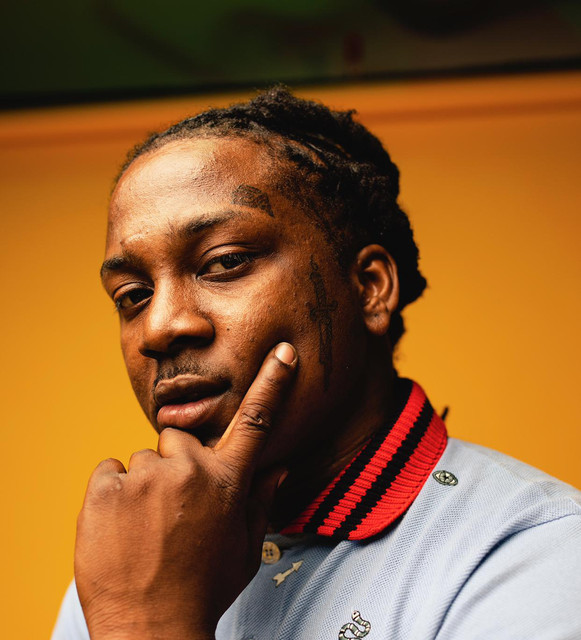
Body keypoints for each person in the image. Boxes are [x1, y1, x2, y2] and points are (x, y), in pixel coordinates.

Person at [53, 88, 581, 639]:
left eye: (225, 262)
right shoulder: (136, 561)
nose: (159, 327)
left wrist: (147, 624)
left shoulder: (537, 556)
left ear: (369, 288)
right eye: (133, 295)